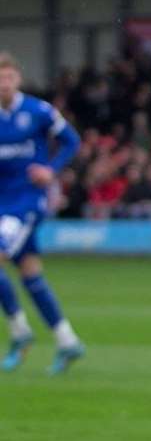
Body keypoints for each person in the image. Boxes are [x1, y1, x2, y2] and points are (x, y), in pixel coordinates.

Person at [0, 52, 85, 374]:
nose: (3, 84)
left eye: (8, 78)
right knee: (30, 274)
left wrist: (51, 170)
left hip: (27, 202)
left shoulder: (38, 111)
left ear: (17, 80)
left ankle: (20, 333)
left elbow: (70, 141)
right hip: (1, 202)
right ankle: (67, 341)